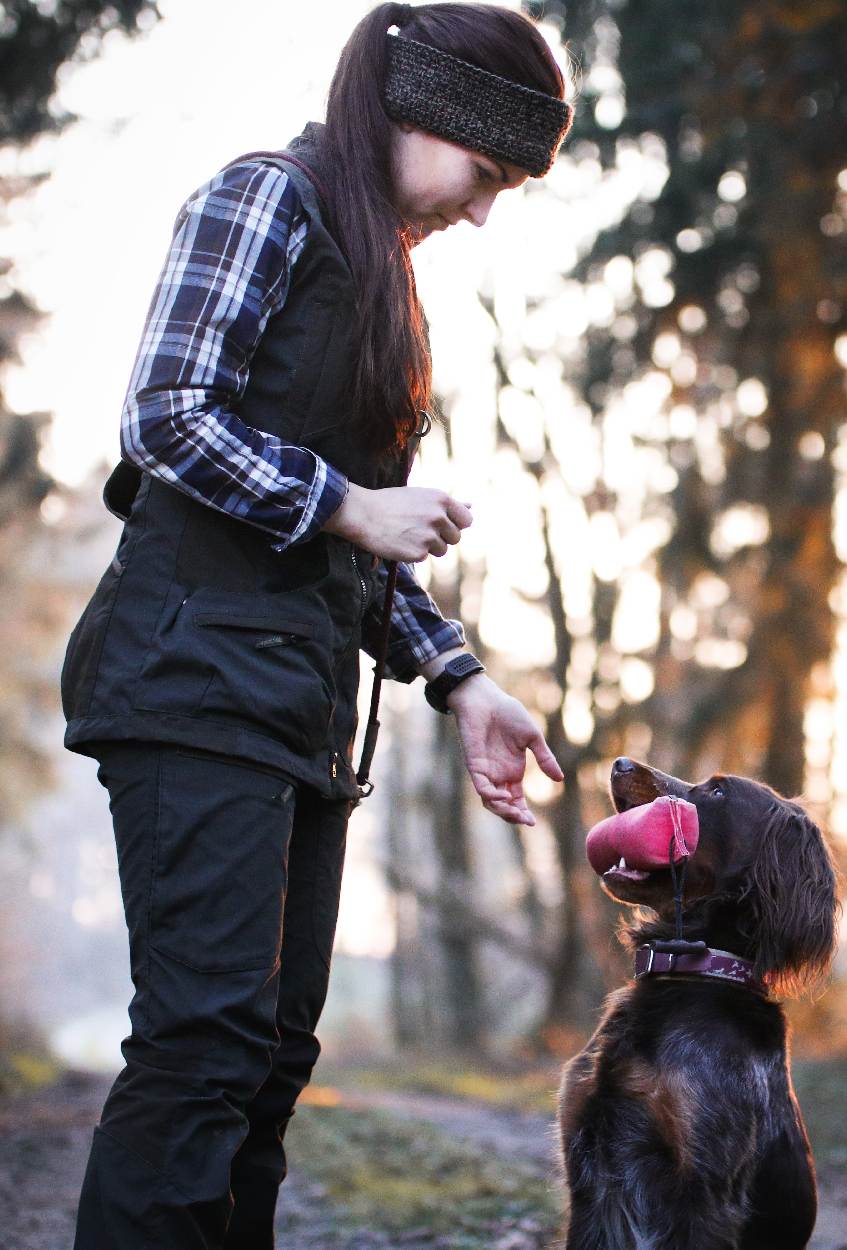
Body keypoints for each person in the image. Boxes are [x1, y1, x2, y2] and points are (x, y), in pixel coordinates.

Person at [60, 4, 572, 1246]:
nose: (484, 209)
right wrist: (349, 502)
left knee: (273, 1054)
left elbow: (355, 545)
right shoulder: (264, 199)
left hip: (295, 707)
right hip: (187, 674)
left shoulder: (382, 272)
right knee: (203, 1046)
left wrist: (462, 684)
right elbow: (168, 416)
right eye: (485, 172)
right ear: (419, 112)